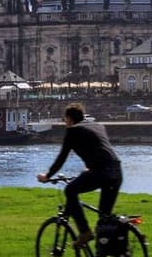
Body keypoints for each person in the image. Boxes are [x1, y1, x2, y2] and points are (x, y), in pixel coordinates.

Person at [37, 101, 123, 248]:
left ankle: (84, 232)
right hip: (116, 171)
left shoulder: (72, 131)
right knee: (105, 218)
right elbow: (99, 149)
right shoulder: (98, 126)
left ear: (69, 119)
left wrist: (48, 175)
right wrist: (90, 167)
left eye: (65, 120)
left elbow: (61, 157)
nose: (65, 123)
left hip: (101, 172)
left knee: (70, 191)